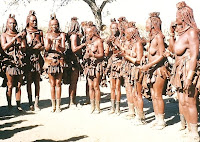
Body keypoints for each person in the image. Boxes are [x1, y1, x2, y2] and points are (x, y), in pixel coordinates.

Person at [167, 1, 200, 141]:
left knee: (190, 101)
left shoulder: (192, 33)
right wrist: (171, 33)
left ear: (184, 16)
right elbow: (173, 50)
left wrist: (189, 77)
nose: (175, 18)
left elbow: (194, 55)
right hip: (180, 70)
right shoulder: (182, 33)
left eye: (177, 15)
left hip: (188, 71)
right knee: (182, 101)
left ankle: (194, 133)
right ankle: (188, 128)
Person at [140, 12, 169, 129]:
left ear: (153, 25)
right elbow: (153, 53)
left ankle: (162, 121)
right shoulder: (152, 38)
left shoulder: (159, 37)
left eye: (147, 23)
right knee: (153, 95)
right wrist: (146, 56)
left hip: (159, 70)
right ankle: (157, 119)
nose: (145, 25)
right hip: (152, 70)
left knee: (157, 95)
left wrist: (149, 65)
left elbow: (163, 55)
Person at [119, 22, 145, 124]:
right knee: (132, 93)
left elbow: (138, 60)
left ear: (132, 34)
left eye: (127, 34)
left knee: (137, 93)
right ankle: (136, 114)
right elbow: (126, 51)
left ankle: (141, 117)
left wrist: (126, 57)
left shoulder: (138, 44)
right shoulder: (130, 43)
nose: (125, 36)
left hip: (136, 70)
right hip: (129, 69)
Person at [1, 14, 26, 111]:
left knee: (19, 84)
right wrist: (14, 39)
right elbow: (4, 47)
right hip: (9, 62)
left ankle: (18, 104)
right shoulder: (4, 35)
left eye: (14, 23)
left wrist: (22, 39)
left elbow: (23, 49)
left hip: (19, 62)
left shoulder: (19, 34)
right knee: (10, 85)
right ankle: (9, 105)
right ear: (7, 24)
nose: (13, 25)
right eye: (10, 23)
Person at [44, 14, 66, 112]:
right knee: (52, 83)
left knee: (58, 83)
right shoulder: (47, 35)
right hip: (50, 61)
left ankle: (58, 105)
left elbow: (63, 49)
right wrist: (49, 43)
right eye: (52, 25)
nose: (54, 27)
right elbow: (46, 49)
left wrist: (58, 46)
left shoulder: (61, 34)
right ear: (50, 25)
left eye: (56, 25)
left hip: (59, 60)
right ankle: (53, 105)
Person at [25, 10, 44, 111]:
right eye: (33, 21)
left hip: (37, 59)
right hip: (28, 60)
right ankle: (30, 102)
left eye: (36, 21)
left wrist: (40, 47)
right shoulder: (25, 32)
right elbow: (23, 48)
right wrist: (33, 48)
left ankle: (37, 103)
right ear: (28, 21)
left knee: (37, 82)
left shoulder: (39, 32)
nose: (35, 23)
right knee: (28, 82)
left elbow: (43, 46)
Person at [83, 23, 104, 114]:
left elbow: (102, 55)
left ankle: (98, 107)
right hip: (89, 66)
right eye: (86, 33)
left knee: (96, 86)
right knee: (90, 86)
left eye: (88, 33)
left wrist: (93, 55)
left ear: (93, 32)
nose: (87, 35)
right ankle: (92, 106)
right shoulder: (88, 42)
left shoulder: (98, 41)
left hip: (96, 66)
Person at [67, 17, 86, 107]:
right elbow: (74, 49)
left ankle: (72, 100)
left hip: (72, 60)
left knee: (73, 82)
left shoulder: (71, 35)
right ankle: (72, 101)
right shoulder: (74, 36)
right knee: (73, 82)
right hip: (73, 61)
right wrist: (83, 45)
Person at [105, 18, 122, 115]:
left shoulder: (120, 39)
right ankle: (112, 107)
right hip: (112, 64)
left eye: (116, 28)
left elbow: (122, 52)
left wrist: (116, 45)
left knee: (118, 87)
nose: (114, 30)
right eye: (112, 28)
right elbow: (107, 54)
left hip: (119, 64)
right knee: (112, 87)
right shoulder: (109, 38)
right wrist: (108, 45)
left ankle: (118, 108)